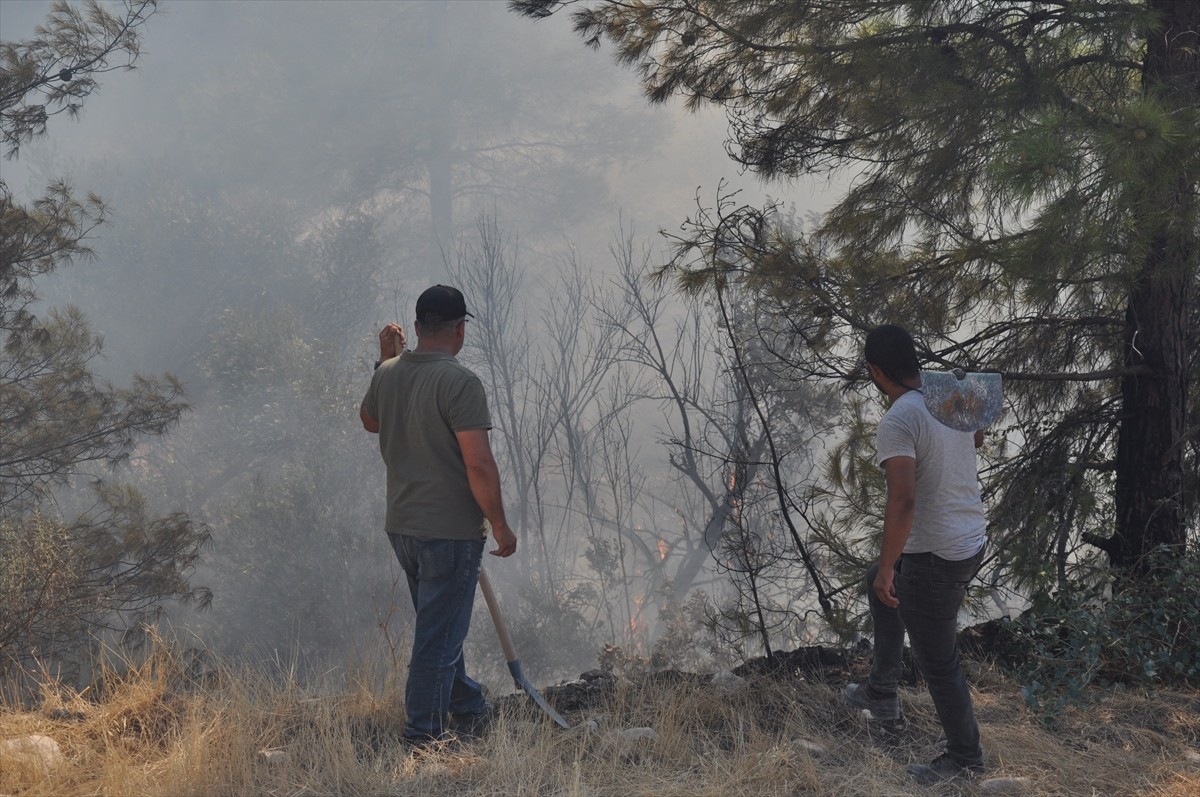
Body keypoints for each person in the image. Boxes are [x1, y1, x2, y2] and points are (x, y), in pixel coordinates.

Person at [360, 284, 518, 746]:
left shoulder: (387, 372)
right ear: (459, 329)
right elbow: (479, 463)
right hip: (448, 532)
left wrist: (385, 360)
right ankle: (421, 736)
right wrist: (501, 524)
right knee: (437, 637)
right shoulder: (460, 381)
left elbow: (371, 420)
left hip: (403, 527)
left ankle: (467, 705)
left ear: (417, 328)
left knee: (440, 625)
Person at [844, 324, 988, 785]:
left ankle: (964, 761)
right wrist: (883, 571)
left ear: (875, 371)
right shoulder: (947, 396)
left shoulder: (899, 420)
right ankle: (881, 691)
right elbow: (978, 438)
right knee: (877, 582)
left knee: (937, 659)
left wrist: (892, 565)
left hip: (937, 554)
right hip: (969, 539)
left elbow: (903, 500)